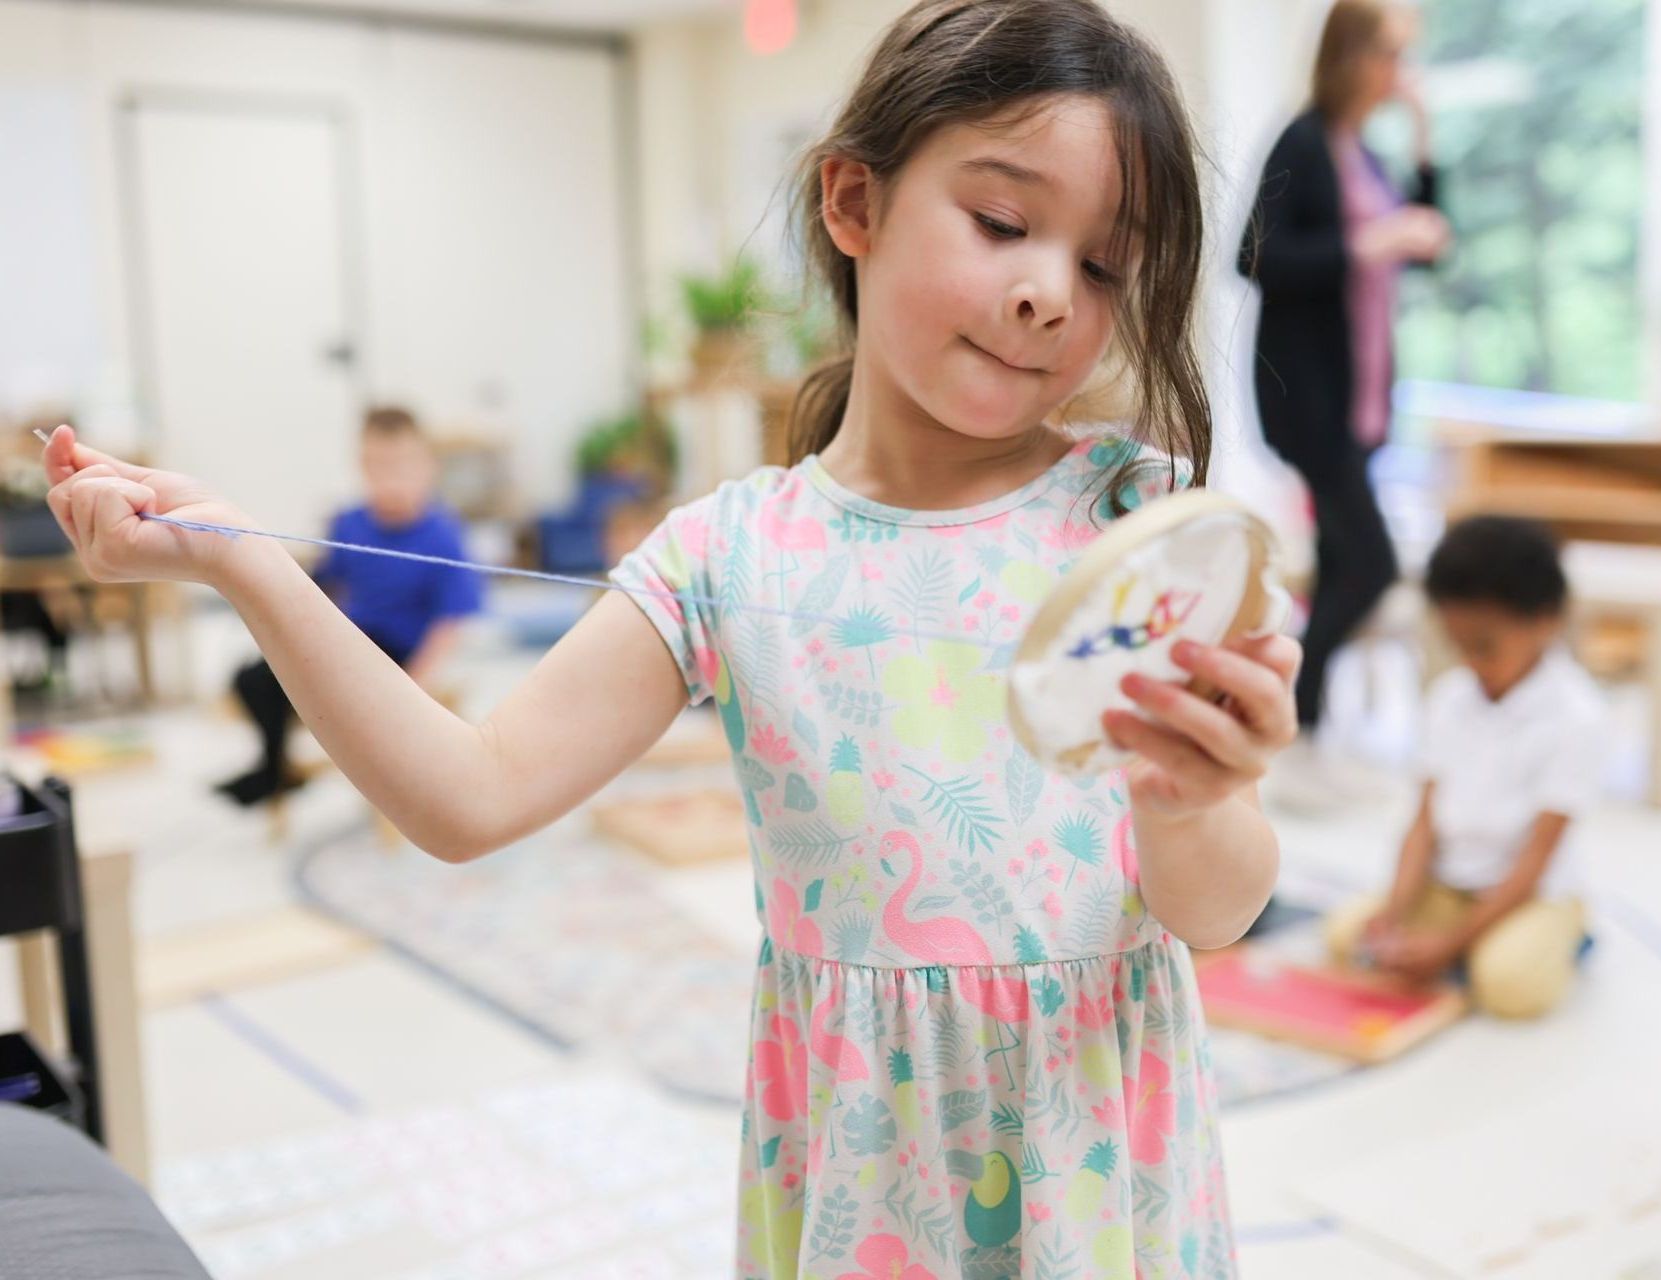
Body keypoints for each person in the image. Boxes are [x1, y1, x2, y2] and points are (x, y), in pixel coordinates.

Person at [42, 2, 1300, 1272]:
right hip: (865, 1187)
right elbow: (468, 793)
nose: (1046, 293)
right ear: (852, 203)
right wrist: (248, 566)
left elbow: (1216, 911)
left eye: (1100, 266)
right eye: (1002, 222)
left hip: (1100, 1165)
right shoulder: (729, 552)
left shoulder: (1142, 528)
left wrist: (1197, 800)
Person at [1238, 0, 1449, 799]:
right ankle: (1292, 716)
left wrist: (1424, 141)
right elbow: (1255, 256)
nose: (1403, 71)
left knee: (1337, 564)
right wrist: (1370, 243)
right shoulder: (1303, 141)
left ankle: (1311, 733)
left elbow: (1427, 243)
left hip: (1364, 398)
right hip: (1312, 399)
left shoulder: (1368, 154)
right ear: (1355, 55)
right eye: (1394, 53)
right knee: (1373, 564)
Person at [1325, 516, 1607, 1019]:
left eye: (1485, 645)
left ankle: (1565, 937)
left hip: (1529, 896)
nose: (1470, 660)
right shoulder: (1450, 698)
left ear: (1546, 622)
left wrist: (1450, 944)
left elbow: (1535, 863)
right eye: (1458, 643)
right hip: (1448, 887)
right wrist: (1394, 911)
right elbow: (1424, 824)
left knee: (1508, 987)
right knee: (1349, 937)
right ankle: (1466, 949)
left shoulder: (1575, 715)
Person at [216, 405, 480, 805]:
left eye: (400, 467)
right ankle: (276, 768)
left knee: (350, 693)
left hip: (396, 655)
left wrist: (415, 685)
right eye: (377, 467)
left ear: (428, 468)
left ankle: (371, 777)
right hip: (349, 639)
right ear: (362, 466)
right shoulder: (350, 522)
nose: (388, 480)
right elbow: (321, 585)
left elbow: (450, 620)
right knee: (252, 679)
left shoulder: (443, 535)